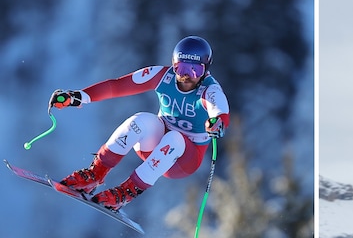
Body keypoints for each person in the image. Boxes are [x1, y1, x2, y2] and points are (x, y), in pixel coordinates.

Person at [48, 35, 230, 211]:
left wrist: (217, 123)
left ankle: (126, 192)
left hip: (184, 161)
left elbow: (220, 111)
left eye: (194, 70)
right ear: (173, 65)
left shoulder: (210, 89)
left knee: (175, 138)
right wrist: (77, 97)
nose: (186, 77)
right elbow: (117, 86)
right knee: (140, 120)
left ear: (205, 70)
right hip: (155, 148)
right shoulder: (162, 76)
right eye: (181, 68)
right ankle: (95, 173)